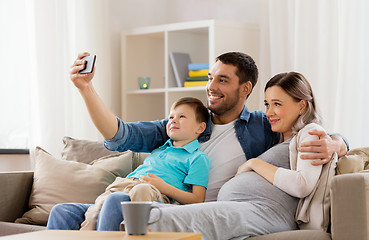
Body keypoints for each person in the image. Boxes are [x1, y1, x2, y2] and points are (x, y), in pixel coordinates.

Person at [47, 51, 348, 232]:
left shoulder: (262, 125)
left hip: (185, 207)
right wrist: (86, 89)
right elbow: (121, 134)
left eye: (222, 80)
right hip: (143, 191)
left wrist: (337, 143)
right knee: (63, 211)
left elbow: (307, 130)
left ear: (245, 89)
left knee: (116, 203)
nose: (210, 87)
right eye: (209, 77)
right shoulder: (185, 120)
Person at [47, 97, 210, 230]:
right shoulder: (159, 149)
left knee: (136, 191)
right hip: (124, 185)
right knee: (62, 211)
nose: (173, 120)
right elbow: (121, 134)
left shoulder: (197, 158)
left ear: (200, 128)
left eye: (182, 116)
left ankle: (134, 230)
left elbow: (197, 200)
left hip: (154, 193)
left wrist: (163, 187)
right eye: (171, 117)